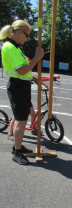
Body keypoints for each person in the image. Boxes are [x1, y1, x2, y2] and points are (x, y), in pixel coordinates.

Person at [0, 20, 45, 165]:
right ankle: (17, 151)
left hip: (23, 85)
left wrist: (32, 76)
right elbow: (21, 70)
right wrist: (37, 58)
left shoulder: (15, 47)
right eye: (27, 35)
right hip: (17, 87)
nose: (27, 39)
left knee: (22, 117)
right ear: (20, 32)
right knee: (21, 120)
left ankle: (18, 146)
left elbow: (24, 70)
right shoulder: (9, 47)